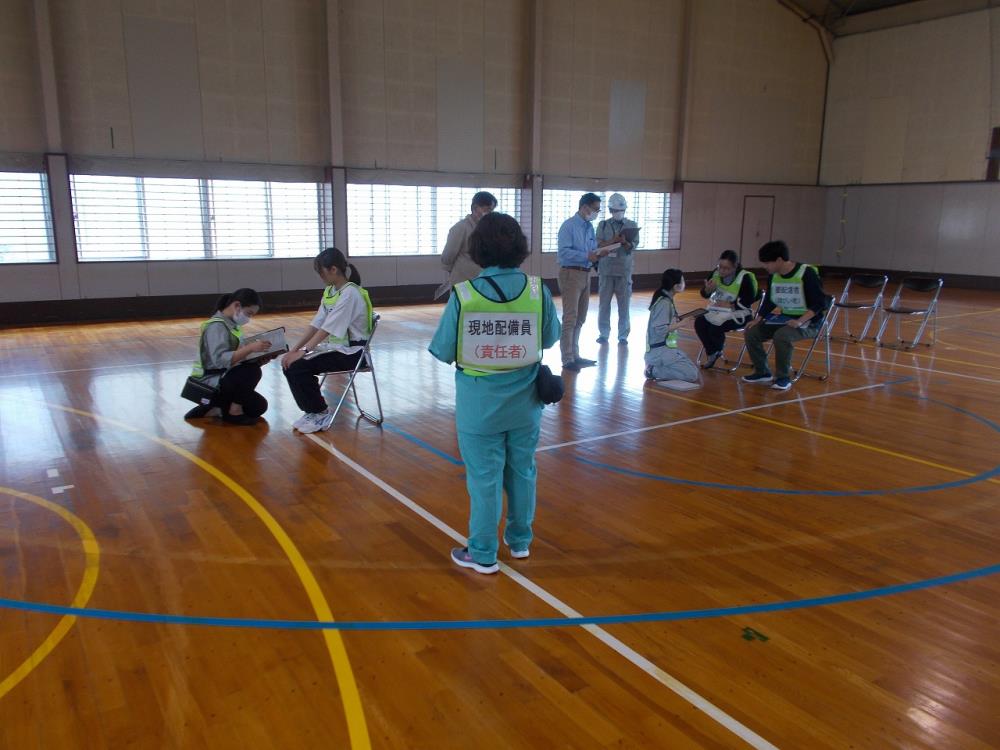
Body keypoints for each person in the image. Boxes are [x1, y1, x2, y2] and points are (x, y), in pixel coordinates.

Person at [429, 212, 560, 575]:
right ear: (519, 246)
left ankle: (483, 553)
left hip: (479, 406)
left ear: (477, 249)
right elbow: (549, 338)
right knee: (523, 471)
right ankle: (519, 542)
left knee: (484, 479)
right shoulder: (538, 290)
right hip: (526, 404)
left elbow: (442, 350)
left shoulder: (465, 294)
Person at [281, 247, 373, 433]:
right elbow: (316, 324)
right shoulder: (330, 292)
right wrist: (294, 350)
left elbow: (327, 328)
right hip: (335, 349)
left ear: (333, 269)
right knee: (290, 364)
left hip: (353, 354)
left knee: (299, 366)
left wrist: (304, 352)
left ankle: (320, 412)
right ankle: (311, 411)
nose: (320, 276)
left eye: (321, 271)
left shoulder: (351, 294)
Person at [742, 240, 827, 392]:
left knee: (782, 336)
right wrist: (758, 318)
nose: (765, 266)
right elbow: (769, 300)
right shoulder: (774, 276)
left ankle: (783, 377)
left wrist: (800, 321)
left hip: (809, 322)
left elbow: (820, 303)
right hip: (784, 319)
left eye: (767, 263)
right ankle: (762, 372)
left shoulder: (806, 273)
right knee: (751, 331)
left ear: (779, 260)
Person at [185, 288, 272, 426]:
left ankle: (215, 408)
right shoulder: (216, 326)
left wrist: (258, 360)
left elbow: (237, 357)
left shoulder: (232, 326)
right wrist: (250, 349)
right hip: (211, 380)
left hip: (225, 376)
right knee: (252, 371)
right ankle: (233, 412)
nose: (249, 318)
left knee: (258, 407)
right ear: (237, 306)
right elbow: (220, 361)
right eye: (248, 313)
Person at [556, 192, 614, 371]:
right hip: (570, 273)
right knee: (570, 317)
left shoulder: (589, 227)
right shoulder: (569, 226)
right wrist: (586, 255)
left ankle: (575, 354)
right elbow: (563, 252)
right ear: (584, 207)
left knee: (581, 317)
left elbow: (592, 249)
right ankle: (567, 358)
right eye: (595, 209)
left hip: (585, 273)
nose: (596, 213)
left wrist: (600, 252)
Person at [695, 249, 760, 369]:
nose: (722, 270)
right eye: (720, 266)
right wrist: (707, 290)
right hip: (718, 311)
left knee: (715, 326)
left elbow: (750, 299)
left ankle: (717, 349)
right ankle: (712, 352)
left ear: (735, 267)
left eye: (726, 268)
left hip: (740, 314)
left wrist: (731, 304)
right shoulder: (716, 274)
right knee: (699, 322)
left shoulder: (744, 277)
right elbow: (704, 293)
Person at [595, 193, 639, 345]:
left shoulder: (631, 225)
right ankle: (603, 333)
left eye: (620, 210)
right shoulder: (603, 225)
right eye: (614, 210)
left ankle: (623, 335)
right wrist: (613, 240)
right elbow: (599, 245)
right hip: (606, 271)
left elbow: (632, 247)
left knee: (624, 305)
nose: (618, 213)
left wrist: (625, 242)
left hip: (623, 271)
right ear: (610, 210)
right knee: (604, 304)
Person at [436, 191, 498, 297]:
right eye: (486, 209)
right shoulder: (461, 227)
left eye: (491, 210)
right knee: (462, 311)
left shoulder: (489, 229)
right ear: (475, 208)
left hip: (484, 281)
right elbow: (448, 256)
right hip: (463, 281)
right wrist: (455, 271)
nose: (489, 213)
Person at [644, 269, 700, 385]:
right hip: (660, 351)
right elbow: (659, 330)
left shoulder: (666, 300)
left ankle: (655, 368)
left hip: (664, 349)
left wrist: (678, 320)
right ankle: (653, 370)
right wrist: (681, 323)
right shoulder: (664, 303)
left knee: (692, 370)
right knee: (691, 374)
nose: (684, 283)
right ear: (676, 286)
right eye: (682, 281)